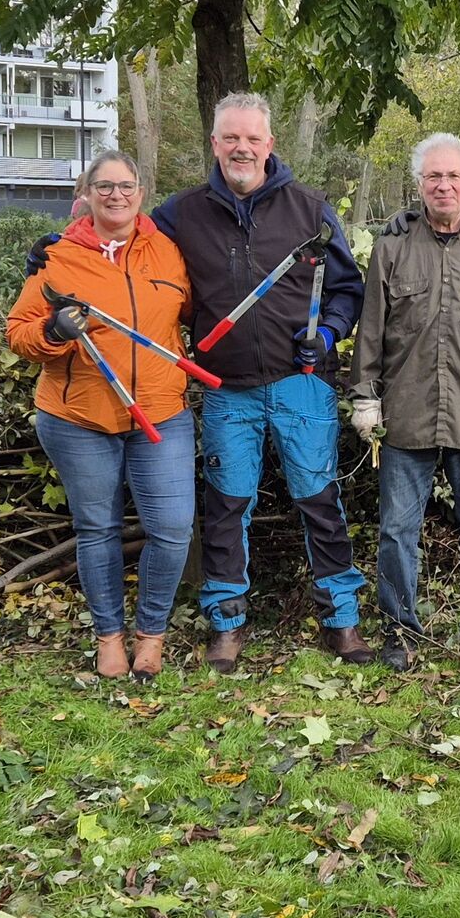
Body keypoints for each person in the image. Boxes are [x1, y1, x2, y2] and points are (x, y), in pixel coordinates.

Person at [150, 94, 371, 671]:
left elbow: (349, 290)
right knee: (226, 506)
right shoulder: (180, 214)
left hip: (303, 384)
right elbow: (125, 256)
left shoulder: (310, 209)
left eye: (252, 139)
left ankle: (342, 619)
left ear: (270, 145)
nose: (241, 148)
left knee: (321, 501)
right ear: (215, 143)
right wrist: (61, 249)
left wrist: (326, 338)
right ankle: (226, 622)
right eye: (230, 138)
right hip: (226, 388)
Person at [5, 151, 195, 681]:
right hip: (79, 417)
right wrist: (54, 334)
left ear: (141, 191)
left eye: (126, 185)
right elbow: (19, 331)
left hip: (161, 410)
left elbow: (192, 314)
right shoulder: (58, 257)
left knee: (174, 528)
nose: (116, 195)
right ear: (85, 194)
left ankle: (150, 635)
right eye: (104, 186)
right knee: (98, 528)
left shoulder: (168, 252)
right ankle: (108, 637)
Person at [351, 133, 460, 670]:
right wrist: (365, 396)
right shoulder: (392, 248)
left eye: (453, 175)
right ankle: (400, 630)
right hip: (406, 414)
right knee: (398, 530)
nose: (444, 185)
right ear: (420, 185)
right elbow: (372, 331)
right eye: (434, 177)